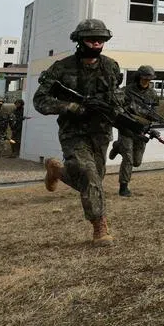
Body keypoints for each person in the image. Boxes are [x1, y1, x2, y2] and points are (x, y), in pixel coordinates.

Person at [33, 18, 123, 246]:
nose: (97, 43)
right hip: (73, 132)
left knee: (95, 179)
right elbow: (40, 100)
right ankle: (99, 226)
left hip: (100, 131)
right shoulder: (61, 68)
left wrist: (117, 108)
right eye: (91, 39)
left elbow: (117, 94)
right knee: (89, 175)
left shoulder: (111, 66)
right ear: (80, 41)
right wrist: (71, 107)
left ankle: (57, 171)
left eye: (101, 39)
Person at [111, 65, 159, 197]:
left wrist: (152, 128)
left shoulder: (153, 94)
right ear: (138, 77)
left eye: (149, 79)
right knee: (128, 159)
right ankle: (123, 187)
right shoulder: (126, 91)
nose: (146, 81)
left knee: (137, 162)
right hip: (126, 128)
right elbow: (117, 107)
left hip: (141, 130)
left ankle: (117, 146)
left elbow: (154, 113)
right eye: (144, 79)